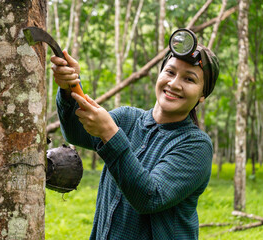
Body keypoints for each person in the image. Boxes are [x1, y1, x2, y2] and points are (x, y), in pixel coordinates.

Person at [50, 30, 219, 239]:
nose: (174, 84)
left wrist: (110, 134)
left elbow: (150, 197)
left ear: (202, 95)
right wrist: (69, 89)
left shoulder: (196, 145)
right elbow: (76, 133)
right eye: (170, 72)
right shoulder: (126, 118)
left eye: (189, 79)